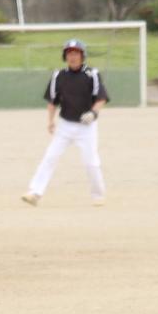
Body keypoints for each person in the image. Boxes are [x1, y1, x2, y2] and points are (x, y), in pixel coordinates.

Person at [21, 38, 109, 207]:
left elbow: (101, 98)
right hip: (65, 125)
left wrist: (93, 112)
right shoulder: (58, 76)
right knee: (50, 157)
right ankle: (34, 193)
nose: (72, 56)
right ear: (65, 56)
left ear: (83, 56)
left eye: (76, 53)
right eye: (69, 53)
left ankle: (98, 196)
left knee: (91, 162)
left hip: (86, 127)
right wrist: (50, 121)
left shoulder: (92, 74)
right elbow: (53, 101)